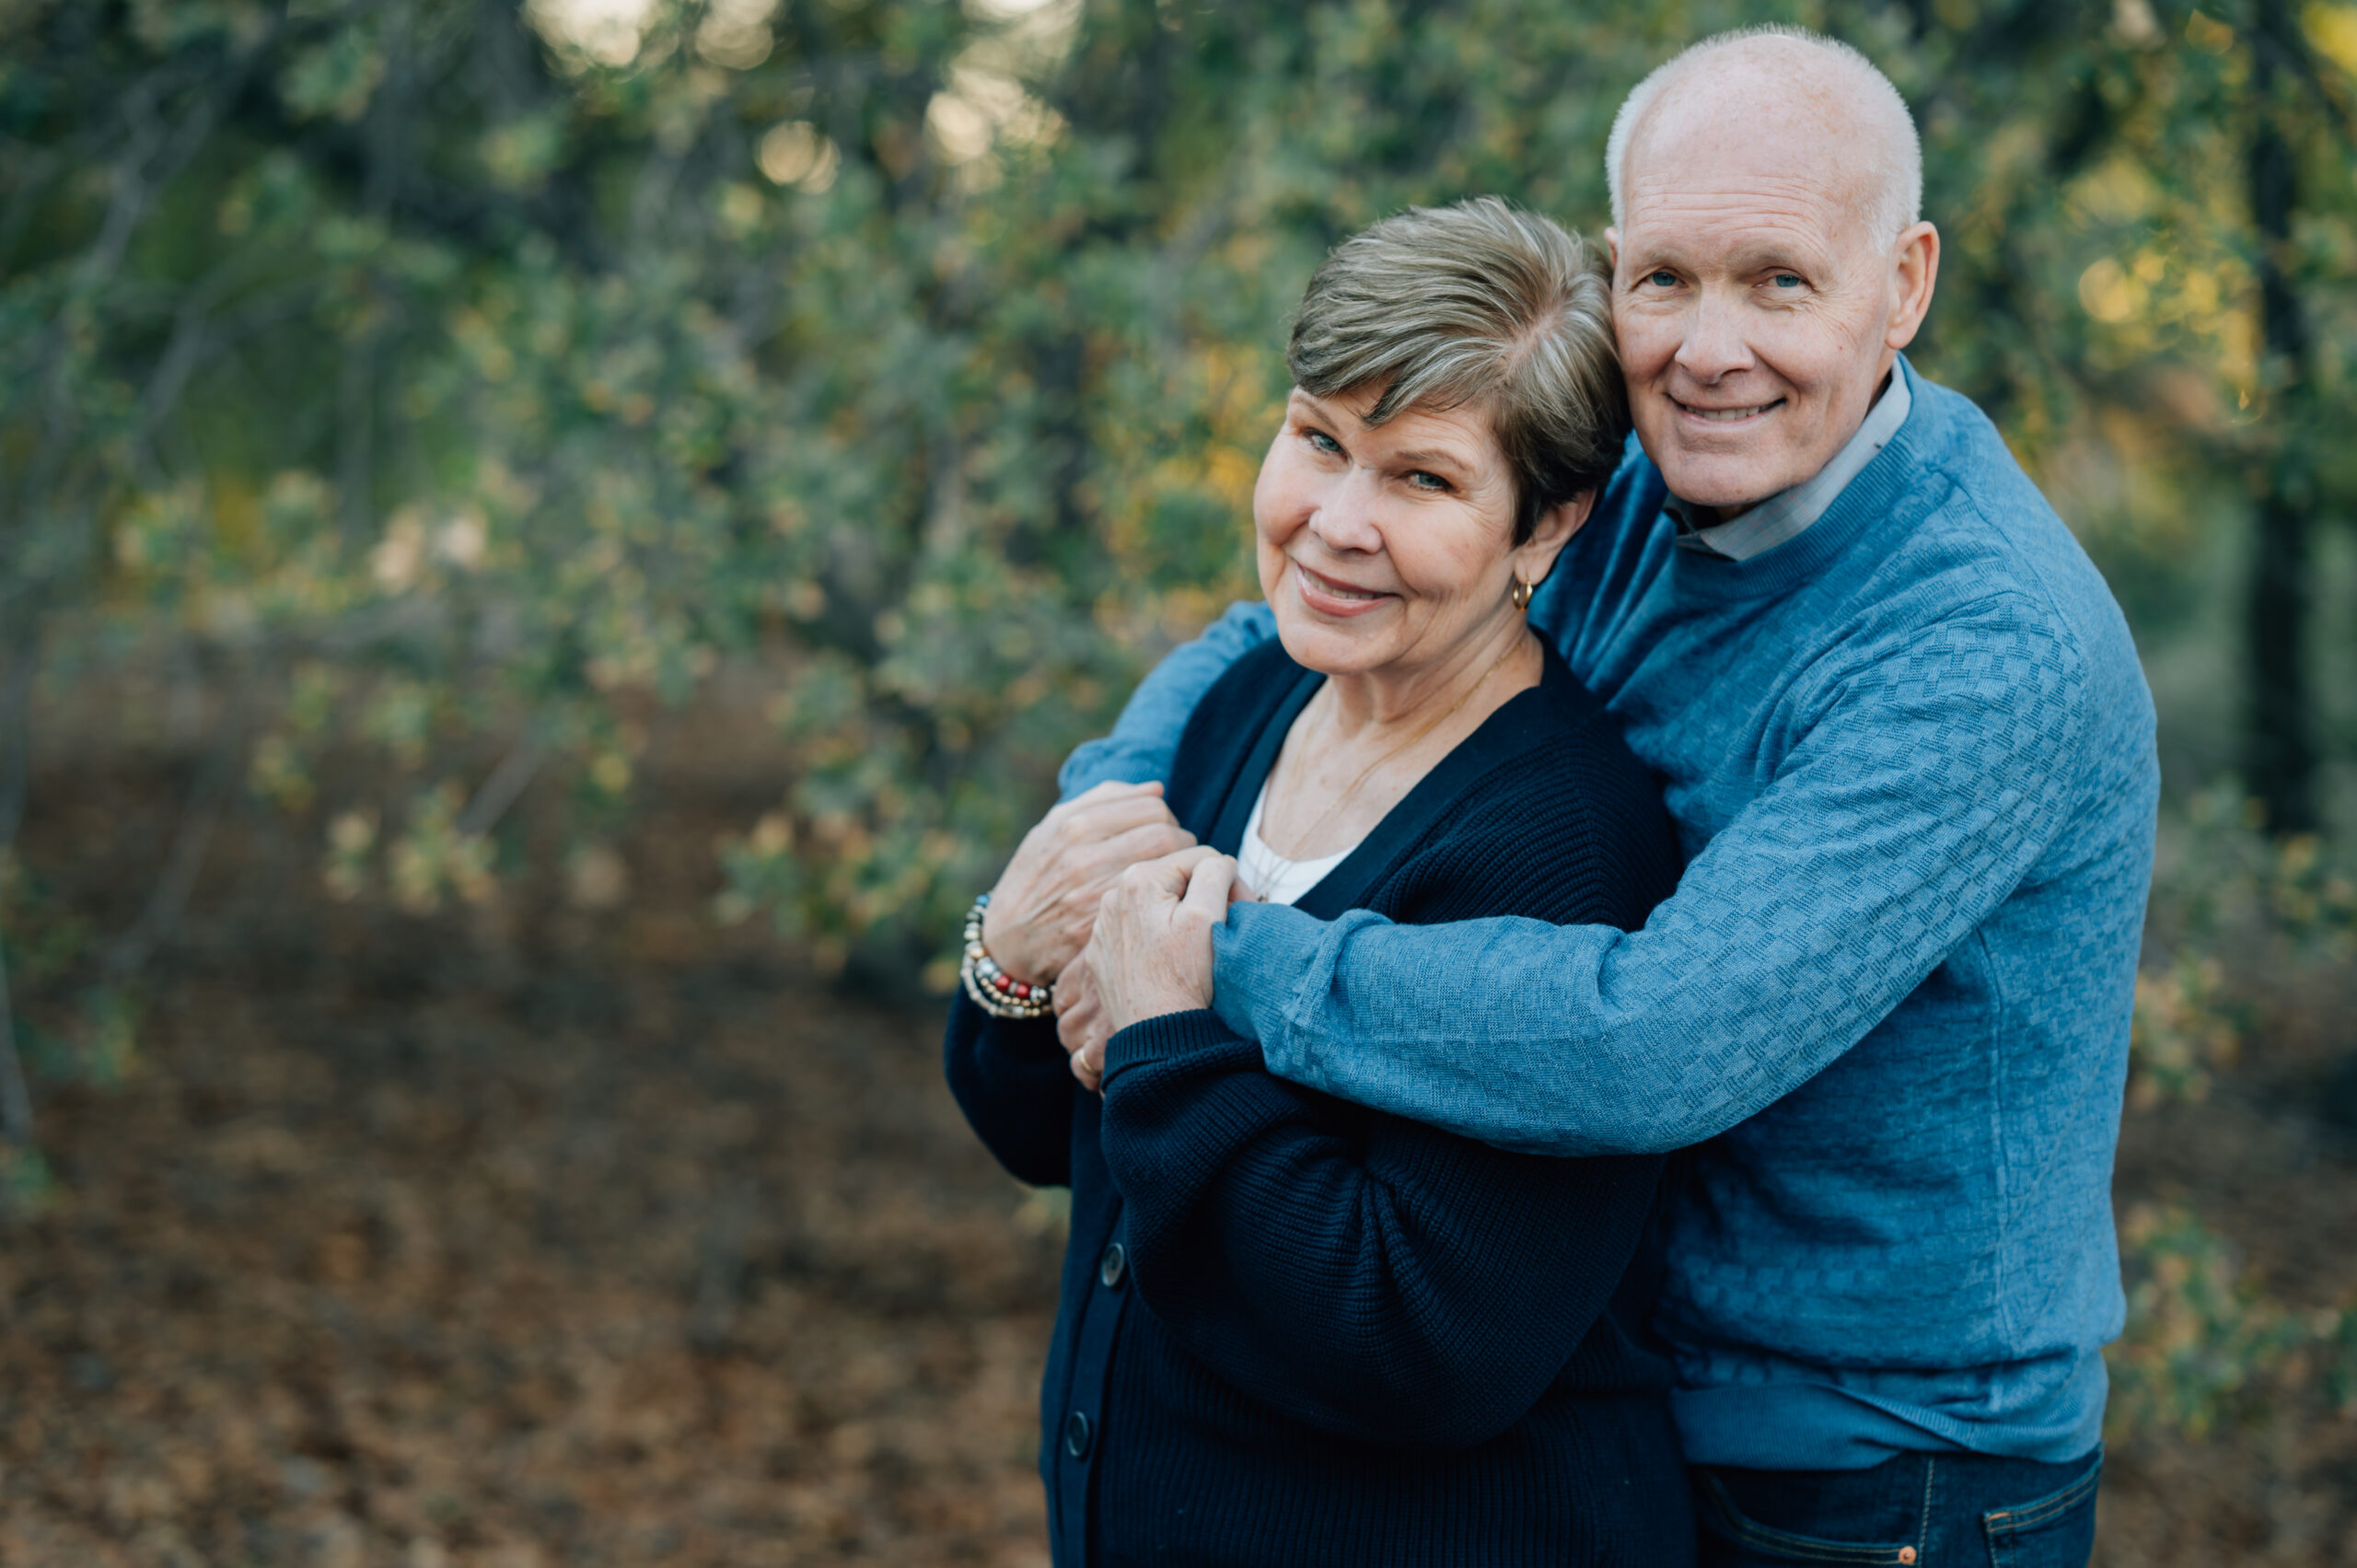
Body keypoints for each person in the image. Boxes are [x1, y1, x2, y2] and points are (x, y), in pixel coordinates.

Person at [1054, 27, 2157, 1568]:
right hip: (1616, 1392)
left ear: (1903, 284)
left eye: (1780, 280)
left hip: (1877, 1470)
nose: (1711, 349)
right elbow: (1282, 619)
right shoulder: (1644, 470)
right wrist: (1106, 830)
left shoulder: (1984, 644)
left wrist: (1211, 952)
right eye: (1665, 280)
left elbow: (1657, 1041)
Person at [946, 198, 1697, 1566]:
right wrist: (1009, 947)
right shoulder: (1242, 703)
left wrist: (1173, 1040)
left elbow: (1420, 1345)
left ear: (1545, 528)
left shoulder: (1564, 846)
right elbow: (1038, 1134)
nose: (1335, 523)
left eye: (1422, 479)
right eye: (1318, 442)